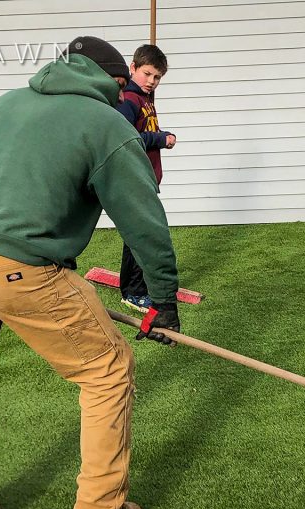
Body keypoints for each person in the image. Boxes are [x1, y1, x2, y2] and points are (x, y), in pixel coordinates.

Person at [0, 36, 181, 509]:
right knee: (107, 370)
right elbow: (143, 219)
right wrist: (163, 301)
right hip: (21, 269)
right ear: (114, 81)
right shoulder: (107, 122)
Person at [115, 44, 177, 314]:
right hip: (134, 179)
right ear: (133, 68)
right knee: (142, 235)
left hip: (147, 177)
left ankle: (132, 287)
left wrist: (160, 133)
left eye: (157, 77)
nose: (152, 81)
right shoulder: (129, 99)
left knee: (136, 236)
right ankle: (134, 292)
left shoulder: (145, 97)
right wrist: (161, 139)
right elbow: (126, 137)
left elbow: (145, 128)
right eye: (147, 74)